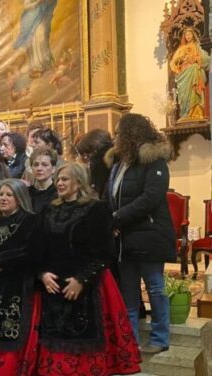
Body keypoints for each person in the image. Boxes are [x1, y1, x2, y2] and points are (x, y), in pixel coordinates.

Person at [35, 162, 141, 375]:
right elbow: (37, 248)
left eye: (65, 179)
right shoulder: (49, 208)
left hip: (88, 283)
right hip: (54, 286)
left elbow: (105, 252)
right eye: (58, 179)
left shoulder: (96, 208)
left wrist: (82, 279)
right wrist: (42, 274)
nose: (59, 183)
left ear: (79, 182)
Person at [105, 113, 175, 355]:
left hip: (149, 235)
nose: (114, 137)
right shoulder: (118, 164)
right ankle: (130, 341)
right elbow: (109, 198)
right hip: (124, 238)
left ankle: (160, 337)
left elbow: (150, 199)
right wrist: (107, 219)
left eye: (118, 132)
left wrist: (117, 217)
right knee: (129, 293)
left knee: (155, 288)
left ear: (131, 134)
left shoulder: (153, 161)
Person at [0, 179, 40, 376]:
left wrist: (2, 261)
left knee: (12, 333)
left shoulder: (30, 220)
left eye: (9, 195)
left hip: (20, 286)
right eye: (1, 194)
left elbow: (33, 253)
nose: (3, 198)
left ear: (19, 198)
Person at [169, 27, 210, 120]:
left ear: (193, 35)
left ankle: (197, 114)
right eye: (186, 35)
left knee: (195, 91)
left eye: (189, 34)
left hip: (195, 72)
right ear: (184, 36)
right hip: (184, 75)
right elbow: (173, 62)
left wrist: (198, 59)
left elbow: (207, 60)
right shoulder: (181, 49)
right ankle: (185, 114)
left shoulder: (197, 47)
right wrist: (178, 69)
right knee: (184, 96)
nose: (188, 36)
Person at [73, 128, 113, 198]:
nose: (88, 159)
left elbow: (97, 190)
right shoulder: (113, 157)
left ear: (93, 149)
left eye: (87, 154)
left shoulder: (99, 162)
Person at [28, 147, 58, 214]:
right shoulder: (26, 193)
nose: (39, 168)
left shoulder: (58, 193)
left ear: (53, 169)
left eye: (44, 165)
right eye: (36, 165)